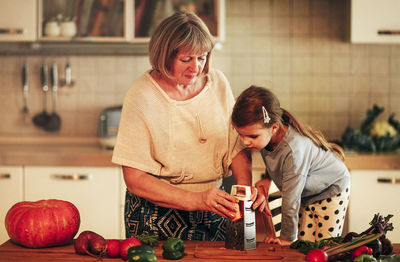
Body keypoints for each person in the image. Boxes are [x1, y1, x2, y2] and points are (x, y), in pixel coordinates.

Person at [112, 12, 266, 241]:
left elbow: (236, 145)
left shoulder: (218, 83)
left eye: (202, 58)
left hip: (215, 206)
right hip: (154, 215)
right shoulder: (141, 95)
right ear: (163, 56)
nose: (196, 68)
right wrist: (197, 200)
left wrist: (245, 191)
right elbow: (134, 178)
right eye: (186, 60)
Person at [231, 86, 350, 246]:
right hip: (307, 193)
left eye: (252, 136)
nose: (245, 141)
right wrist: (268, 177)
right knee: (304, 246)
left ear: (273, 128)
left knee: (324, 248)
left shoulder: (293, 151)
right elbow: (275, 158)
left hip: (331, 190)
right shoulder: (267, 139)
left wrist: (286, 239)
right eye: (241, 134)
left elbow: (291, 199)